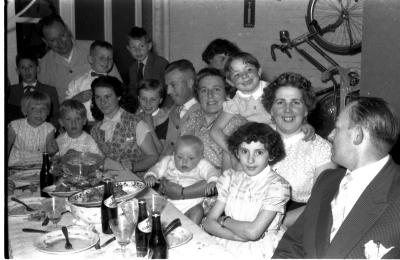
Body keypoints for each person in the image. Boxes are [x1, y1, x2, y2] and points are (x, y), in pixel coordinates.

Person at [273, 97, 400, 259]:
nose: (330, 135)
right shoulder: (327, 181)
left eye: (337, 128)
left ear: (357, 135)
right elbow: (293, 243)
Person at [211, 52, 313, 168]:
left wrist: (304, 123)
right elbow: (215, 131)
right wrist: (233, 151)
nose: (244, 76)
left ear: (259, 71)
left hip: (281, 136)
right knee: (229, 152)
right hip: (256, 143)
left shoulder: (274, 91)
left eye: (248, 70)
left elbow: (294, 108)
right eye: (237, 75)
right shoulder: (235, 103)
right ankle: (227, 183)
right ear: (230, 82)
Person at [204, 122, 290, 259]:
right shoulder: (230, 178)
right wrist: (234, 236)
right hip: (228, 239)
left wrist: (223, 220)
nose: (250, 160)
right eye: (245, 151)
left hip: (261, 249)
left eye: (259, 152)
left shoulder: (278, 186)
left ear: (271, 155)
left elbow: (253, 233)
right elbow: (208, 223)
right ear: (237, 152)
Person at [262, 72, 336, 227]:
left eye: (296, 102)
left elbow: (320, 204)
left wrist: (271, 224)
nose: (287, 110)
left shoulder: (322, 150)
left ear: (306, 110)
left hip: (294, 224)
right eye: (280, 102)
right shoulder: (255, 137)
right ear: (271, 109)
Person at [37, 14, 121, 101]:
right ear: (45, 41)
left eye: (62, 35)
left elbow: (120, 89)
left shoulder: (96, 50)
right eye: (53, 40)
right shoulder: (43, 67)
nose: (60, 43)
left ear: (67, 30)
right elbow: (45, 106)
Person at [90, 76, 158, 174]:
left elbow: (153, 156)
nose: (102, 102)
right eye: (98, 97)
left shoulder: (136, 123)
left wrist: (134, 166)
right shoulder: (95, 130)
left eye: (107, 96)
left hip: (134, 183)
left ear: (119, 96)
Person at [144, 135, 219, 224]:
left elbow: (211, 171)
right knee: (152, 206)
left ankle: (193, 231)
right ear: (173, 154)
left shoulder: (201, 165)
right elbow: (157, 168)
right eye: (179, 157)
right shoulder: (168, 162)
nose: (184, 161)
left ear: (200, 157)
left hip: (191, 205)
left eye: (191, 158)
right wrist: (151, 175)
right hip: (169, 203)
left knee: (198, 211)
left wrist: (212, 181)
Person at [181, 68, 246, 170]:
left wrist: (187, 187)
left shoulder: (237, 123)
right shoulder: (192, 117)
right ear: (198, 96)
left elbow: (232, 172)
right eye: (204, 90)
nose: (210, 95)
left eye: (216, 89)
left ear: (227, 93)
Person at [66, 40, 118, 126]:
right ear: (90, 59)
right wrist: (76, 99)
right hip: (82, 125)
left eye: (110, 58)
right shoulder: (77, 82)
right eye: (101, 58)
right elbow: (65, 108)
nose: (106, 61)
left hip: (108, 124)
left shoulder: (115, 83)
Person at [8, 52, 59, 127]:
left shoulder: (50, 90)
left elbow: (56, 115)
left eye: (30, 66)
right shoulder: (11, 90)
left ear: (37, 69)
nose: (27, 70)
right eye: (23, 67)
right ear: (18, 71)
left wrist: (48, 131)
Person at [162, 59, 201, 156]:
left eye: (173, 85)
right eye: (167, 86)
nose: (168, 91)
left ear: (190, 83)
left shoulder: (203, 112)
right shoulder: (173, 110)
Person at [7, 91, 57, 166]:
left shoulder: (49, 128)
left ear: (48, 112)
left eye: (43, 109)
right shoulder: (15, 126)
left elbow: (50, 151)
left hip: (40, 164)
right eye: (33, 108)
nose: (39, 112)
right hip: (17, 164)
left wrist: (53, 151)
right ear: (25, 111)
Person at [126, 26, 169, 98]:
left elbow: (168, 91)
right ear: (128, 49)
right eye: (133, 47)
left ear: (149, 46)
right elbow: (133, 91)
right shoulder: (132, 68)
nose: (138, 51)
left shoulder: (161, 63)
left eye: (141, 46)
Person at [136, 79, 169, 154]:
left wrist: (150, 126)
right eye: (143, 99)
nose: (148, 103)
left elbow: (160, 150)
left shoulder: (163, 119)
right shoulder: (136, 115)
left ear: (160, 100)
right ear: (138, 99)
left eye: (153, 99)